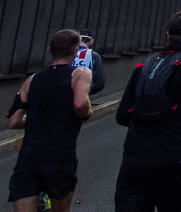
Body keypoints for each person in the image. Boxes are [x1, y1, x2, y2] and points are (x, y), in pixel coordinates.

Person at [114, 10, 181, 212]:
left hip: (134, 157)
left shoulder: (143, 66)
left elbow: (122, 115)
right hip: (172, 157)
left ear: (167, 34)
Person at [6, 29, 92, 212]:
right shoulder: (79, 74)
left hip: (29, 155)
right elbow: (79, 104)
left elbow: (13, 121)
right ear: (75, 51)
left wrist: (38, 122)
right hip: (59, 153)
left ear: (49, 50)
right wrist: (86, 114)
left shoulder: (32, 79)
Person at [72, 29, 106, 96]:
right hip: (82, 95)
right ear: (91, 41)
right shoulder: (93, 56)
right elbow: (100, 84)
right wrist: (87, 92)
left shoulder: (67, 53)